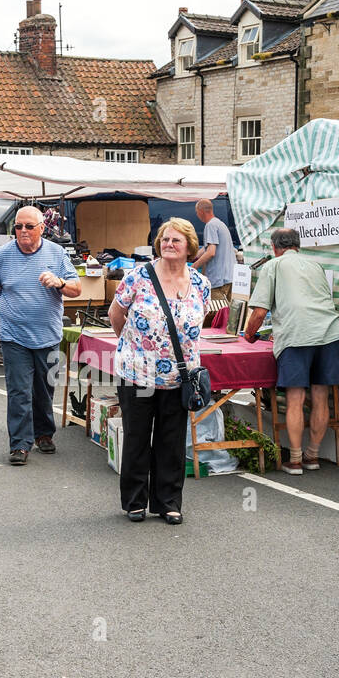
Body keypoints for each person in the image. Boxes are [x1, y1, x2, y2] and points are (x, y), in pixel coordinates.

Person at [108, 217, 211, 524]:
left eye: (175, 240)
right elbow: (116, 313)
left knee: (171, 441)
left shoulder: (200, 284)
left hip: (180, 377)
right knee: (138, 438)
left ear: (189, 247)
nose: (168, 244)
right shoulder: (139, 276)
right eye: (165, 239)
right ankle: (135, 502)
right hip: (138, 374)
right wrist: (132, 349)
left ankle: (168, 502)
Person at [244, 227, 339, 476]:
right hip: (330, 331)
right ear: (298, 245)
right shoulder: (315, 265)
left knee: (295, 398)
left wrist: (248, 334)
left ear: (273, 246)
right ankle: (313, 456)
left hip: (297, 334)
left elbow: (259, 312)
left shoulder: (272, 266)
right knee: (321, 396)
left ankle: (296, 459)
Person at [0, 205, 81, 466]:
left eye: (29, 226)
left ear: (42, 227)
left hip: (48, 333)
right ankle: (19, 444)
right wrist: (9, 311)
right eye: (18, 226)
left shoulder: (57, 253)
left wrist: (59, 283)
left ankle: (43, 433)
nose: (23, 231)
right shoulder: (2, 256)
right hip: (12, 334)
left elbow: (77, 289)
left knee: (43, 388)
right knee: (19, 391)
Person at [190, 199, 235, 305]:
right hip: (230, 278)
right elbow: (207, 248)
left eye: (197, 212)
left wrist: (193, 267)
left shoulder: (210, 225)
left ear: (201, 211)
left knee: (217, 315)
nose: (197, 215)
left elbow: (211, 252)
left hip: (218, 281)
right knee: (228, 314)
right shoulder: (220, 224)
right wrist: (193, 256)